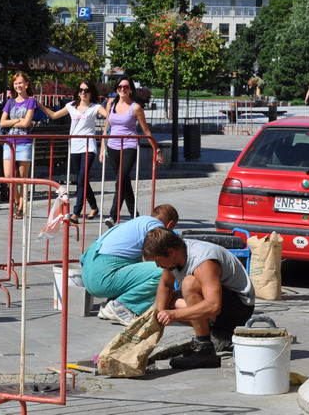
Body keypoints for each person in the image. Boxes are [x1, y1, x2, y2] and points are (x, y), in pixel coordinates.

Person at [143, 227, 256, 369]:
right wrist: (157, 317)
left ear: (170, 252)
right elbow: (165, 285)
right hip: (218, 304)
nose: (157, 265)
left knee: (189, 283)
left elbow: (214, 306)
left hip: (239, 308)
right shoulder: (176, 255)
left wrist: (174, 314)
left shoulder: (203, 262)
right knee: (165, 304)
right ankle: (215, 332)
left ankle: (204, 349)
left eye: (158, 261)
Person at [80, 204, 179, 326]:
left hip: (88, 275)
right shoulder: (155, 226)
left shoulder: (132, 224)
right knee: (165, 271)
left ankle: (111, 305)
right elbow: (163, 258)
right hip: (104, 276)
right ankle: (122, 307)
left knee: (139, 267)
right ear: (169, 224)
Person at [40, 79, 109, 222]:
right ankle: (94, 206)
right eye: (81, 90)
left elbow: (110, 116)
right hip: (75, 147)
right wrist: (38, 104)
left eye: (86, 90)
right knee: (81, 179)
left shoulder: (94, 107)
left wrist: (112, 107)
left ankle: (76, 212)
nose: (83, 93)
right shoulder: (71, 106)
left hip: (88, 146)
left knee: (81, 179)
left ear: (91, 93)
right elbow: (53, 115)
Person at [100, 76, 161, 228]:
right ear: (116, 88)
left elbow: (146, 131)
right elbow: (106, 127)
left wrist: (156, 150)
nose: (122, 89)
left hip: (129, 146)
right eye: (120, 86)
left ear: (130, 89)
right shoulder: (110, 105)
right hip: (112, 146)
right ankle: (135, 214)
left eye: (126, 87)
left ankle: (113, 216)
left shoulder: (136, 108)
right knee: (124, 181)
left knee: (120, 180)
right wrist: (102, 147)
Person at [0, 72, 38, 219]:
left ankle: (21, 207)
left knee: (22, 178)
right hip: (9, 142)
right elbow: (2, 122)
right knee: (9, 176)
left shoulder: (31, 101)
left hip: (24, 142)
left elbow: (26, 123)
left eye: (20, 83)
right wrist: (17, 121)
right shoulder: (10, 102)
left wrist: (15, 121)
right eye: (16, 83)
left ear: (26, 84)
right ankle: (18, 201)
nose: (18, 86)